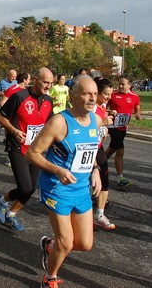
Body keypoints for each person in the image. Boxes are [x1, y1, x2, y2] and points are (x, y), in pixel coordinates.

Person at [24, 75, 102, 288]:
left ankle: (50, 246)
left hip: (82, 188)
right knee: (66, 242)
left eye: (95, 94)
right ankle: (50, 277)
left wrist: (95, 170)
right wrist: (57, 169)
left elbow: (91, 149)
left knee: (85, 244)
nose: (92, 98)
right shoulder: (59, 122)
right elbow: (32, 154)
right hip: (57, 189)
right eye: (87, 94)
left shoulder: (97, 120)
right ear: (73, 96)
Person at [0, 68, 54, 231]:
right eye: (45, 82)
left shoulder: (48, 101)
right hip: (17, 147)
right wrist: (14, 131)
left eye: (51, 83)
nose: (48, 86)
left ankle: (10, 214)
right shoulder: (20, 96)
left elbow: (51, 124)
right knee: (25, 187)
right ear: (35, 80)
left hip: (36, 150)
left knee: (31, 188)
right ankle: (2, 201)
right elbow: (0, 116)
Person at [105, 75, 141, 190]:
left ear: (129, 85)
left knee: (112, 148)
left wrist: (138, 114)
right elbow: (102, 107)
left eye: (123, 84)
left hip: (123, 127)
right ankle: (120, 178)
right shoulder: (113, 95)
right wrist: (110, 111)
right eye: (119, 83)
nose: (120, 86)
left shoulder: (135, 97)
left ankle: (96, 164)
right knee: (120, 150)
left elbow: (137, 108)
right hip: (112, 125)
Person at [93, 77, 116, 230]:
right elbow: (85, 125)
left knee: (104, 180)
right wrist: (103, 123)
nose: (108, 97)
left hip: (98, 147)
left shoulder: (102, 105)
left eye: (110, 94)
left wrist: (104, 129)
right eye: (106, 94)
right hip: (88, 149)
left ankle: (99, 214)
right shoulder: (91, 107)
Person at [0, 69, 18, 137]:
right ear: (8, 75)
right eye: (12, 76)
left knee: (10, 121)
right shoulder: (2, 82)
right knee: (7, 121)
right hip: (4, 103)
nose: (14, 78)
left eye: (15, 76)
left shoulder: (16, 82)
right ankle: (6, 138)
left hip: (13, 103)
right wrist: (3, 93)